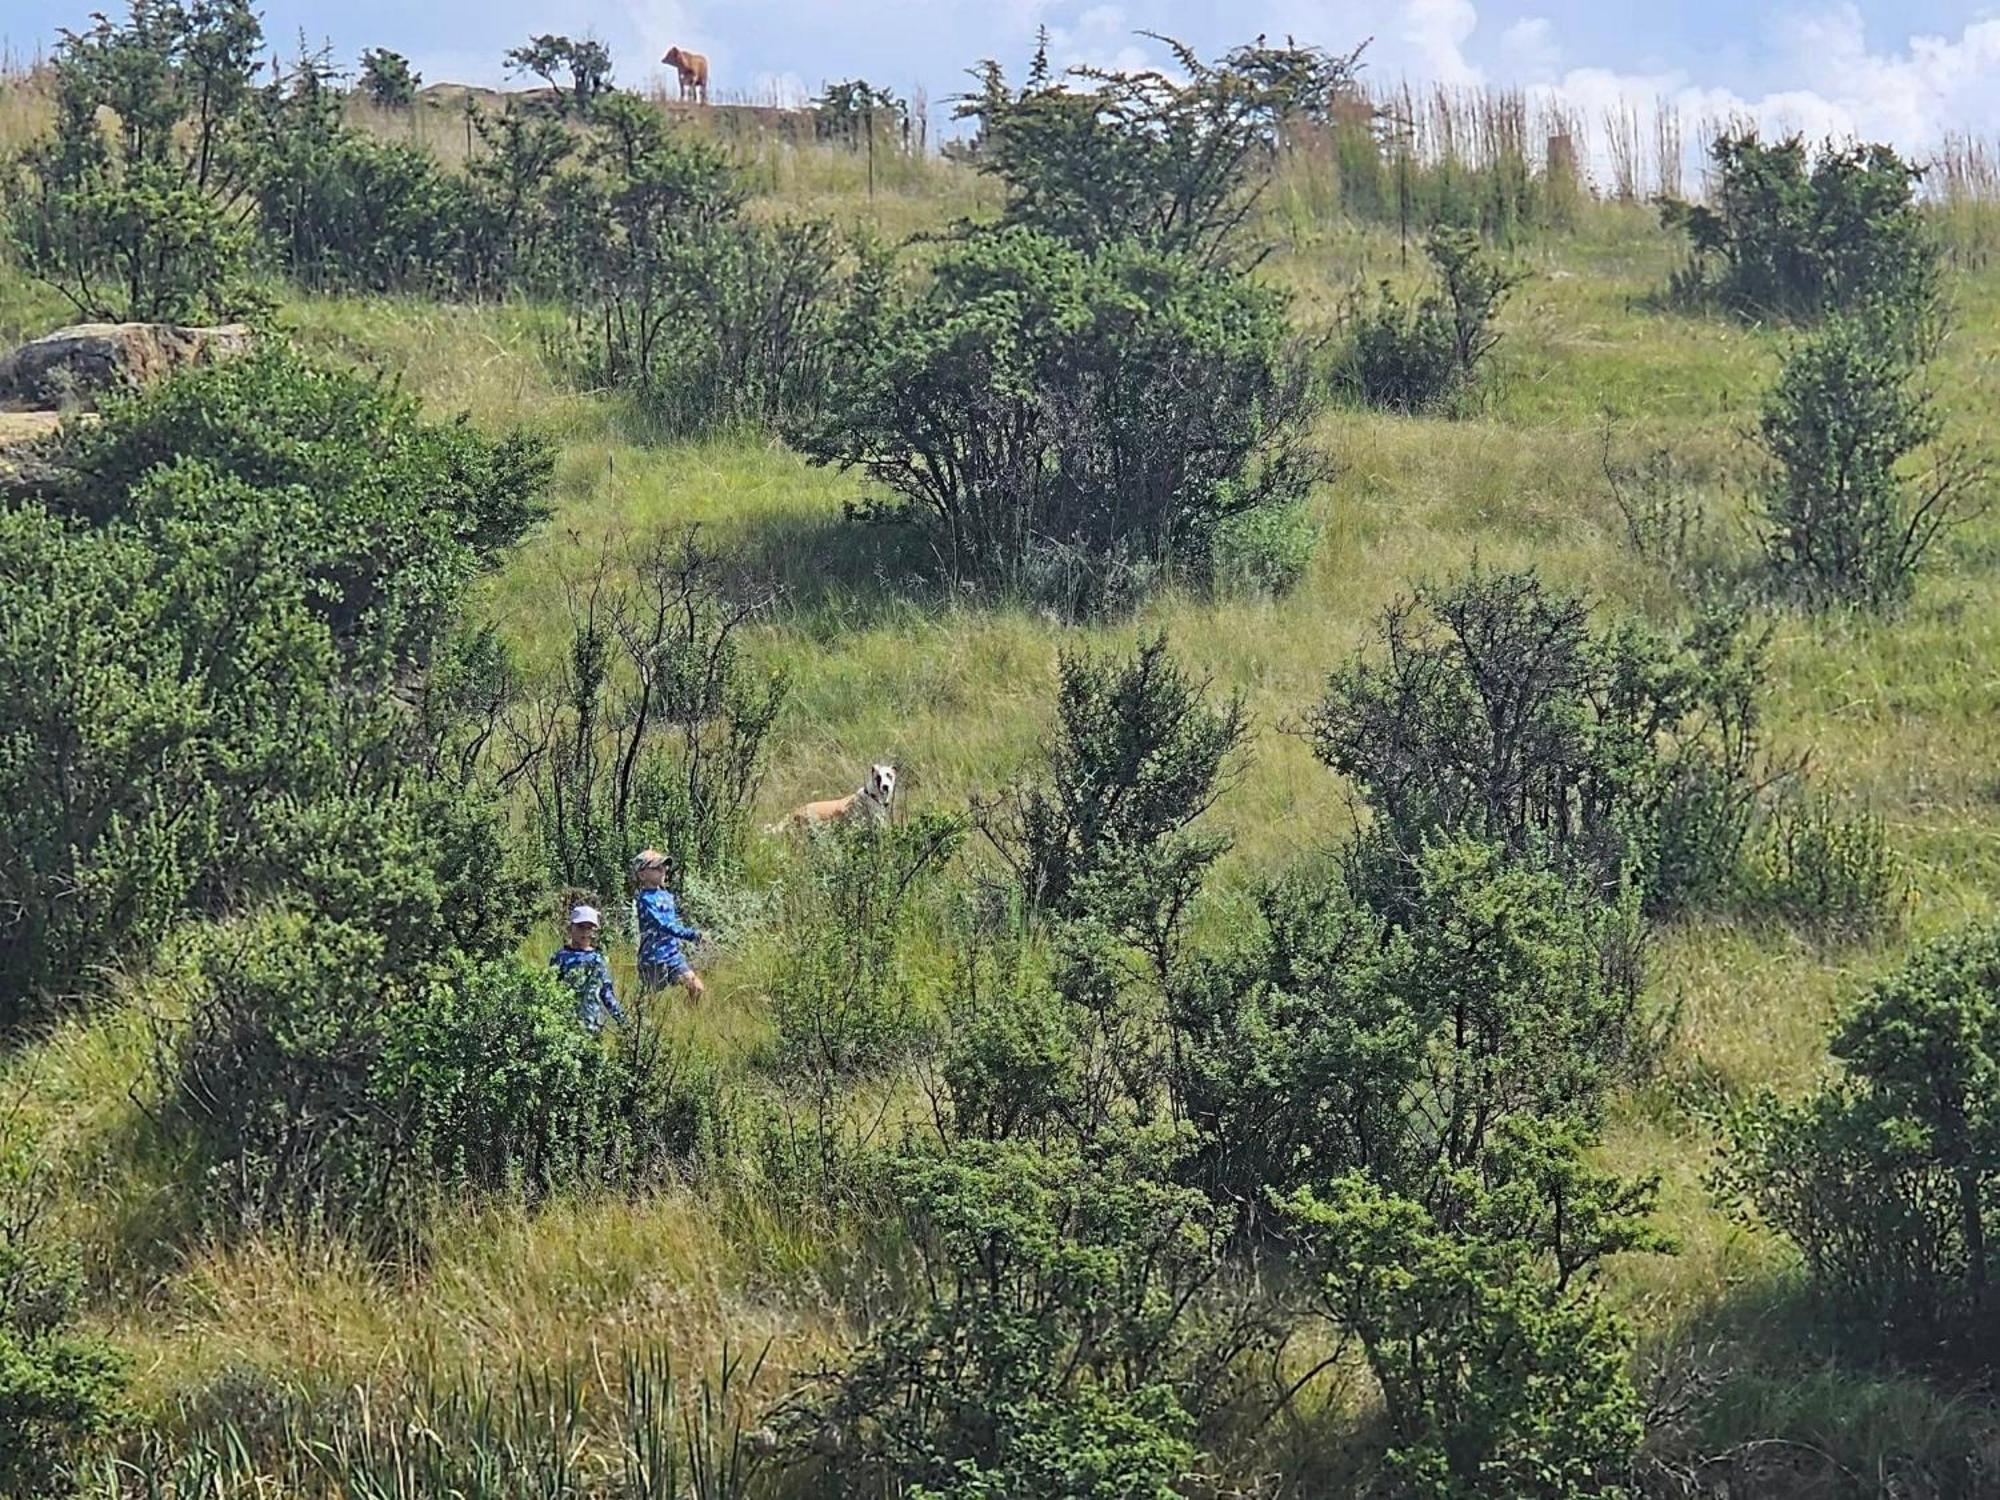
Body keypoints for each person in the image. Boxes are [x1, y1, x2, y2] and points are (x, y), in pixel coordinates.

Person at [631, 849, 707, 998]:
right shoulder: (645, 899)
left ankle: (690, 1017)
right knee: (652, 1002)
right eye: (657, 868)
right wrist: (691, 934)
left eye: (664, 867)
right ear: (642, 874)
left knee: (696, 987)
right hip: (653, 959)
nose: (663, 870)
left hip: (673, 955)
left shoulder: (666, 895)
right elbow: (663, 925)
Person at [550, 904, 625, 1032]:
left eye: (589, 928)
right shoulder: (560, 958)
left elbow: (606, 993)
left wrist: (623, 1021)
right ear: (571, 928)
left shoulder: (597, 960)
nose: (584, 932)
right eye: (580, 927)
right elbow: (551, 990)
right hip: (565, 1027)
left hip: (592, 1027)